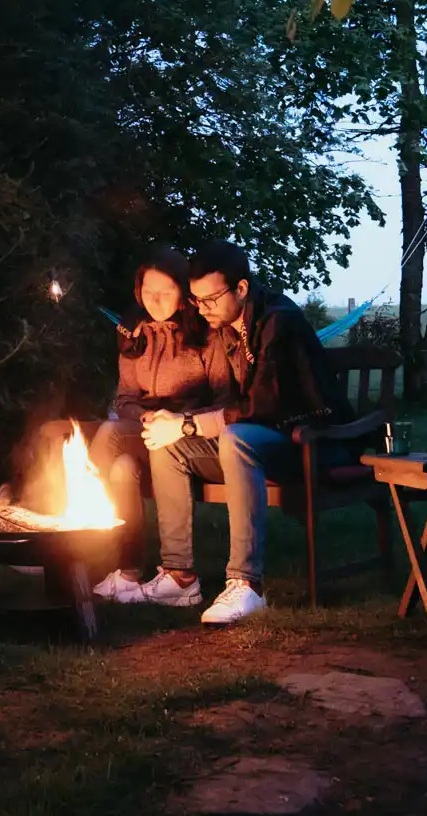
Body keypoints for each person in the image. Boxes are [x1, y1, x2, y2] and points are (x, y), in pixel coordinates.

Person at [141, 240, 356, 625]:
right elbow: (233, 404)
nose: (202, 309)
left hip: (310, 441)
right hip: (263, 443)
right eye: (196, 300)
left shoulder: (278, 322)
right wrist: (175, 424)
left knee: (236, 438)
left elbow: (263, 407)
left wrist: (188, 424)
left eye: (210, 299)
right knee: (168, 445)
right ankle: (179, 576)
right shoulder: (228, 326)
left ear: (241, 288)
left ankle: (246, 584)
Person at [83, 246, 231, 605]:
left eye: (165, 291)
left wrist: (179, 421)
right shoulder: (136, 334)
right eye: (148, 292)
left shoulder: (206, 333)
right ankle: (130, 573)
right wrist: (144, 417)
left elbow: (226, 397)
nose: (155, 300)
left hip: (193, 437)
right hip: (146, 429)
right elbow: (126, 398)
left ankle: (79, 538)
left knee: (117, 454)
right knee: (117, 451)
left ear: (183, 291)